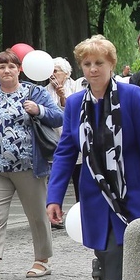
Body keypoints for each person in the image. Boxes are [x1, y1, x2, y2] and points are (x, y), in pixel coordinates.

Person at [47, 35, 140, 280]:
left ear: (112, 64)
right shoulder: (74, 104)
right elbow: (66, 151)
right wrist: (54, 196)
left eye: (99, 63)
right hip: (98, 198)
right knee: (120, 263)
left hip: (134, 193)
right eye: (87, 64)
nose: (93, 69)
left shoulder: (132, 96)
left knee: (116, 259)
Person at [0, 49, 63, 276]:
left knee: (36, 215)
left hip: (29, 167)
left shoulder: (34, 92)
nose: (6, 70)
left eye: (11, 66)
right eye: (1, 67)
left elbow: (59, 116)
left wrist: (39, 110)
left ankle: (42, 260)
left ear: (19, 69)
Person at [47, 57, 81, 210]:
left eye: (56, 71)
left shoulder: (77, 87)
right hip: (53, 142)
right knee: (55, 179)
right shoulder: (44, 91)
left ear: (66, 73)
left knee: (80, 181)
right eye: (50, 71)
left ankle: (82, 212)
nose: (52, 74)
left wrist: (62, 97)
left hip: (75, 141)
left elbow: (76, 111)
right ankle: (54, 211)